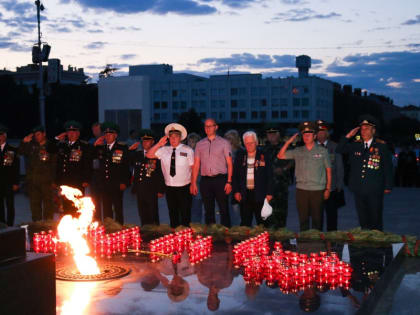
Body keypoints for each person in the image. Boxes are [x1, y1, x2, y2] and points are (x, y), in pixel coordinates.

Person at [336, 115, 393, 231]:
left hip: (375, 188)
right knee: (363, 219)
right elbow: (339, 149)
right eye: (362, 128)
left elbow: (388, 167)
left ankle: (377, 244)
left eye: (367, 128)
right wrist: (348, 136)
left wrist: (388, 186)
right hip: (358, 188)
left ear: (373, 130)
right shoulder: (355, 145)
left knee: (375, 218)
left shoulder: (381, 147)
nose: (363, 131)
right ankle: (365, 243)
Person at [277, 121, 332, 231]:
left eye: (309, 134)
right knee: (303, 220)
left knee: (317, 220)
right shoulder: (298, 151)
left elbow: (328, 170)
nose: (306, 136)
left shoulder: (322, 151)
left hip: (317, 190)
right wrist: (288, 142)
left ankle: (317, 244)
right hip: (301, 190)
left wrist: (328, 189)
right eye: (304, 134)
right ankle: (304, 245)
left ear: (315, 136)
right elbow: (280, 155)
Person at [147, 123, 194, 228]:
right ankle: (174, 235)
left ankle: (186, 235)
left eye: (176, 136)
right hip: (169, 187)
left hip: (184, 186)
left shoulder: (188, 150)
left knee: (185, 213)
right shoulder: (164, 150)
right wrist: (159, 144)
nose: (173, 139)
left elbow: (193, 168)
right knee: (173, 213)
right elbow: (149, 154)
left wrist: (193, 183)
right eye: (171, 137)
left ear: (180, 138)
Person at [191, 119, 233, 227]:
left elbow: (229, 164)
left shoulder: (224, 143)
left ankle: (225, 233)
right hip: (205, 181)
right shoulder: (200, 144)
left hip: (221, 179)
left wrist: (229, 181)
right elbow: (196, 165)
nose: (208, 128)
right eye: (206, 126)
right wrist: (193, 182)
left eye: (210, 126)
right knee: (208, 210)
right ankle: (211, 233)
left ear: (216, 127)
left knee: (224, 209)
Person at [232, 131, 273, 227]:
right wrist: (236, 191)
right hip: (245, 194)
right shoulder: (240, 155)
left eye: (251, 143)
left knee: (262, 223)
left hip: (261, 194)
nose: (249, 145)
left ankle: (263, 240)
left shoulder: (264, 155)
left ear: (256, 142)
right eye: (247, 143)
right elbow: (235, 175)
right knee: (245, 223)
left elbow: (270, 175)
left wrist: (270, 193)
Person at [93, 122, 130, 224]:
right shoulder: (100, 148)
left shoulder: (122, 148)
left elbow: (126, 167)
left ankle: (118, 229)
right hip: (104, 184)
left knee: (118, 208)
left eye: (110, 134)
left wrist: (124, 182)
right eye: (106, 134)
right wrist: (95, 145)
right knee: (106, 208)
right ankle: (108, 227)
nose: (108, 136)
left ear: (115, 135)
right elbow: (92, 161)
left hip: (117, 184)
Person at [19, 126, 57, 221]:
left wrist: (54, 180)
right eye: (35, 135)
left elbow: (55, 164)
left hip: (46, 181)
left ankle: (48, 226)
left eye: (38, 134)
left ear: (44, 134)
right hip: (33, 181)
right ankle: (37, 226)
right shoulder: (31, 145)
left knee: (48, 205)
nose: (36, 136)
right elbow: (20, 152)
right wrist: (24, 142)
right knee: (35, 205)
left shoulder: (50, 146)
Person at [128, 130, 165, 226]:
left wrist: (160, 189)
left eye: (147, 141)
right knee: (142, 213)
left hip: (152, 189)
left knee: (153, 213)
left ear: (152, 142)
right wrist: (130, 150)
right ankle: (145, 233)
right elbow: (128, 163)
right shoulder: (137, 154)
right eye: (143, 141)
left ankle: (155, 234)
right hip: (140, 188)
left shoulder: (157, 155)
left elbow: (160, 173)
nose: (145, 143)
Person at [263, 126, 294, 228]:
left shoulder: (285, 147)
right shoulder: (263, 149)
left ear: (278, 135)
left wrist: (284, 169)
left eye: (274, 133)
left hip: (281, 184)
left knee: (281, 212)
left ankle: (281, 236)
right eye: (269, 134)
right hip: (267, 186)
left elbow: (293, 161)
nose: (271, 136)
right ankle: (268, 236)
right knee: (267, 213)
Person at [316, 120, 345, 231]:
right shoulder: (311, 147)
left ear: (327, 133)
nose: (321, 134)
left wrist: (339, 185)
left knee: (332, 216)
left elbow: (340, 167)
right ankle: (318, 239)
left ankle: (332, 240)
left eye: (323, 132)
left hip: (332, 187)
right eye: (318, 132)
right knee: (317, 217)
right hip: (316, 188)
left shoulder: (334, 146)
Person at [55, 121, 91, 191]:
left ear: (78, 133)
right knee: (64, 201)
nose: (71, 134)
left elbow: (87, 164)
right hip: (63, 180)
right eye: (69, 132)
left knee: (77, 201)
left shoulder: (84, 146)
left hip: (77, 181)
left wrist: (86, 179)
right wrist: (57, 138)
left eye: (73, 132)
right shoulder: (62, 145)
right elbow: (50, 150)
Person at [0, 124, 20, 226]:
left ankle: (10, 225)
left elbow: (16, 168)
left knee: (10, 205)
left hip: (9, 182)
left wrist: (16, 182)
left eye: (1, 135)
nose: (0, 137)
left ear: (5, 136)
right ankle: (2, 225)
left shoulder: (12, 149)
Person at [187, 132, 203, 223]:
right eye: (189, 141)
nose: (190, 144)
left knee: (197, 206)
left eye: (193, 142)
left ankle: (196, 225)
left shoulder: (200, 154)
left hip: (197, 183)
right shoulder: (185, 152)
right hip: (186, 183)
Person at [88, 122, 103, 221]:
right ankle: (97, 221)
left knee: (107, 200)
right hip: (94, 174)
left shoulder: (106, 140)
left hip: (105, 174)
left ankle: (108, 221)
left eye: (97, 129)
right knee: (95, 200)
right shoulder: (91, 141)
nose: (95, 132)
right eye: (93, 130)